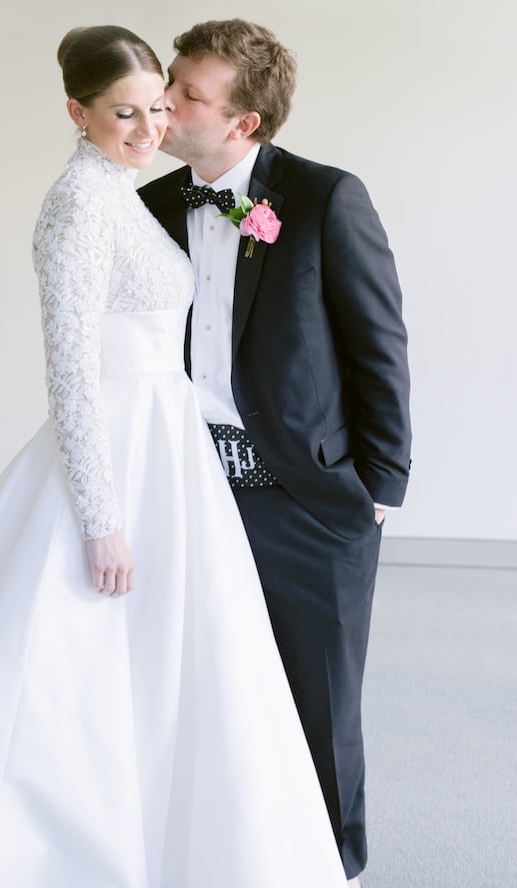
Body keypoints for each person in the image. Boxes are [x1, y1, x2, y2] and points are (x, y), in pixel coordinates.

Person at [0, 25, 348, 888]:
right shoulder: (80, 202)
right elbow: (72, 372)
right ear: (76, 112)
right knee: (73, 669)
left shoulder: (126, 189)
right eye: (124, 112)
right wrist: (101, 518)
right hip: (118, 450)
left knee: (175, 656)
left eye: (159, 107)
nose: (149, 128)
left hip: (169, 444)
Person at [139, 18, 412, 886]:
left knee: (319, 698)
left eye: (188, 94)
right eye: (169, 79)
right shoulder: (148, 208)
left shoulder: (327, 198)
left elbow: (380, 346)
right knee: (198, 686)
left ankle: (335, 865)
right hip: (187, 489)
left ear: (242, 124)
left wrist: (379, 485)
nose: (165, 102)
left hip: (307, 496)